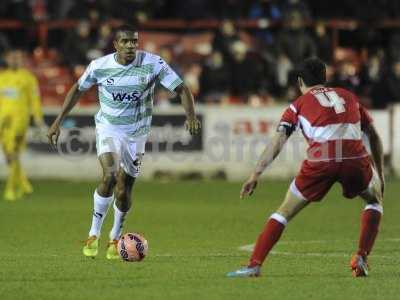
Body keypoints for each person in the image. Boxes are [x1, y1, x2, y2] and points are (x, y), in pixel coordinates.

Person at [47, 25, 200, 259]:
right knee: (109, 175)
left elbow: (181, 88)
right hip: (109, 127)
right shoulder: (100, 66)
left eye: (134, 42)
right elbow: (77, 90)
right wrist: (58, 121)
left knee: (124, 189)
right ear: (115, 44)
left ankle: (114, 237)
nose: (131, 46)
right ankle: (93, 233)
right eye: (126, 42)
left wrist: (190, 116)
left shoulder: (153, 63)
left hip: (137, 134)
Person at [227, 57, 384, 278]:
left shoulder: (297, 106)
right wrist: (381, 174)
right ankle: (361, 257)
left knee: (284, 212)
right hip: (354, 158)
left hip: (321, 160)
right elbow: (374, 136)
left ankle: (255, 264)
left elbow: (278, 141)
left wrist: (256, 174)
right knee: (374, 200)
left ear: (300, 81)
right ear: (325, 78)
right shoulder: (349, 97)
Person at [0, 49, 44, 201]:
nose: (14, 60)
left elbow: (35, 99)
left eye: (17, 58)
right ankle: (25, 186)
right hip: (2, 122)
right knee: (9, 157)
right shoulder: (2, 77)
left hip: (20, 121)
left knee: (13, 154)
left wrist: (38, 117)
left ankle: (11, 190)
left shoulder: (28, 78)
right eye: (12, 57)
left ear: (22, 60)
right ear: (7, 59)